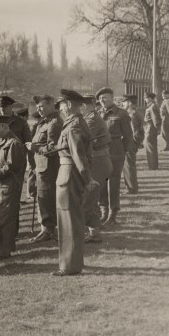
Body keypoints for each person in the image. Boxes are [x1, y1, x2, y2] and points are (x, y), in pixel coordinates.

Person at [52, 89, 96, 277]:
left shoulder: (74, 125)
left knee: (70, 222)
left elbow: (79, 156)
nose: (60, 109)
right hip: (68, 174)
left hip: (70, 176)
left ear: (69, 105)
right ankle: (70, 263)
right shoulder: (73, 123)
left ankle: (70, 266)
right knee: (69, 221)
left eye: (61, 105)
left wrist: (87, 180)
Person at [0, 115, 27, 260]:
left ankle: (3, 252)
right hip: (1, 185)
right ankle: (6, 248)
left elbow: (10, 167)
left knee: (3, 219)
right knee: (1, 217)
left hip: (7, 186)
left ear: (4, 126)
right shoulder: (3, 141)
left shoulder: (13, 144)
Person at [25, 95, 62, 243]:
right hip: (41, 167)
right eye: (37, 107)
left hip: (49, 168)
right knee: (43, 198)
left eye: (42, 106)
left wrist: (35, 148)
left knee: (47, 198)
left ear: (52, 105)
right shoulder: (44, 122)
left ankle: (48, 230)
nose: (38, 109)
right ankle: (46, 229)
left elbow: (54, 148)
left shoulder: (54, 123)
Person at [97, 87, 135, 226]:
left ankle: (113, 215)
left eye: (105, 97)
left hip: (115, 153)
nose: (102, 100)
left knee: (113, 184)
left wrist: (121, 151)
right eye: (100, 98)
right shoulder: (98, 114)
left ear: (112, 98)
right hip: (100, 154)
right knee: (101, 183)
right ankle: (103, 212)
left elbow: (128, 137)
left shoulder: (122, 114)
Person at [81, 95, 112, 243]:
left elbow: (82, 141)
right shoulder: (91, 117)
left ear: (86, 106)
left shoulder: (91, 119)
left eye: (80, 106)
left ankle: (79, 233)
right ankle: (94, 234)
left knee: (87, 199)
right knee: (91, 199)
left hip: (98, 163)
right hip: (98, 161)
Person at [120, 95, 143, 194]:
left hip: (129, 143)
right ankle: (132, 187)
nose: (123, 104)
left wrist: (134, 143)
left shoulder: (132, 115)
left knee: (128, 166)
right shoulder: (135, 113)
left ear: (129, 103)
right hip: (132, 143)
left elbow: (135, 132)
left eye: (124, 102)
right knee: (129, 166)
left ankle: (131, 189)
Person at [143, 92, 161, 171]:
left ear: (150, 98)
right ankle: (154, 166)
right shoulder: (152, 106)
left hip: (150, 128)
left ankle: (152, 166)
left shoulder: (151, 107)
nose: (145, 99)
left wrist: (157, 128)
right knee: (153, 148)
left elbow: (155, 119)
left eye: (146, 98)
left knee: (150, 148)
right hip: (151, 128)